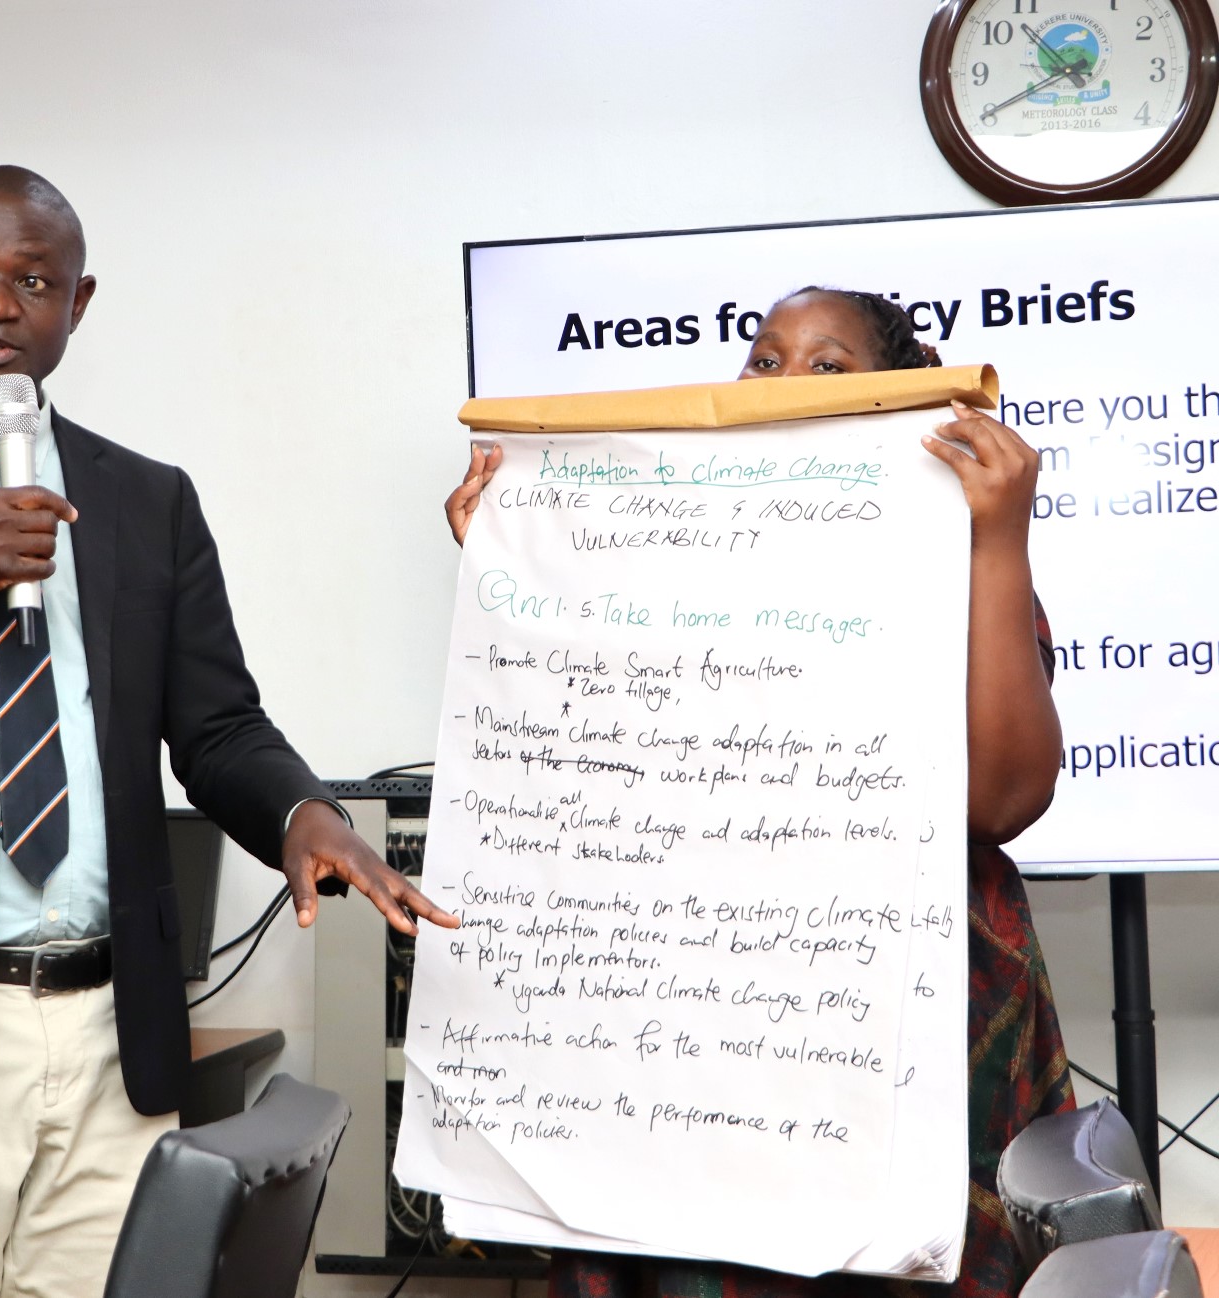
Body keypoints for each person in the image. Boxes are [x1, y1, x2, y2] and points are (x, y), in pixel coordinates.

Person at [0, 165, 457, 1298]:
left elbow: (217, 722)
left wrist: (306, 812)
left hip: (115, 1034)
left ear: (78, 302)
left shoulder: (148, 497)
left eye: (32, 280)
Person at [443, 287, 1072, 1298]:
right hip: (696, 1004)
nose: (784, 383)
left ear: (898, 394)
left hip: (895, 1005)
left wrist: (998, 539)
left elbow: (1001, 798)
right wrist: (514, 564)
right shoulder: (660, 556)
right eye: (763, 360)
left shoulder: (948, 545)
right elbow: (592, 745)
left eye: (828, 365)